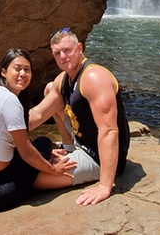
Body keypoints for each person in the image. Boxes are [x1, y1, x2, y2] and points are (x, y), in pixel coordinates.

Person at [0, 49, 76, 213]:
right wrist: (52, 169)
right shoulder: (10, 101)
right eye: (17, 68)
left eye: (27, 69)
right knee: (43, 145)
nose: (23, 74)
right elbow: (26, 151)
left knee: (43, 146)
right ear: (4, 72)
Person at [28, 28, 131, 206]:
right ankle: (69, 147)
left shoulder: (94, 77)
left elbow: (109, 131)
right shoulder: (64, 78)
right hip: (80, 142)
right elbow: (37, 114)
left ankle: (87, 164)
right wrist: (0, 131)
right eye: (57, 53)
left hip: (98, 156)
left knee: (33, 177)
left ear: (80, 48)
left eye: (67, 50)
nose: (63, 57)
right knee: (50, 88)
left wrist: (105, 185)